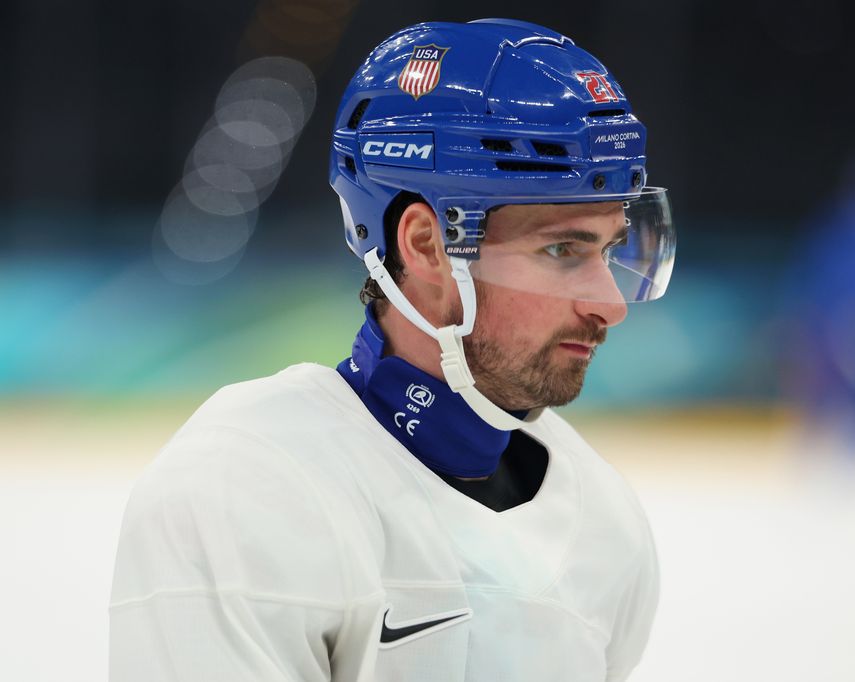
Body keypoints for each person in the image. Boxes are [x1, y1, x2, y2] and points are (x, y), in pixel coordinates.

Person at [110, 18, 675, 682]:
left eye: (609, 250)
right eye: (562, 250)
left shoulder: (604, 524)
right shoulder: (244, 492)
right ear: (425, 245)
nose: (608, 302)